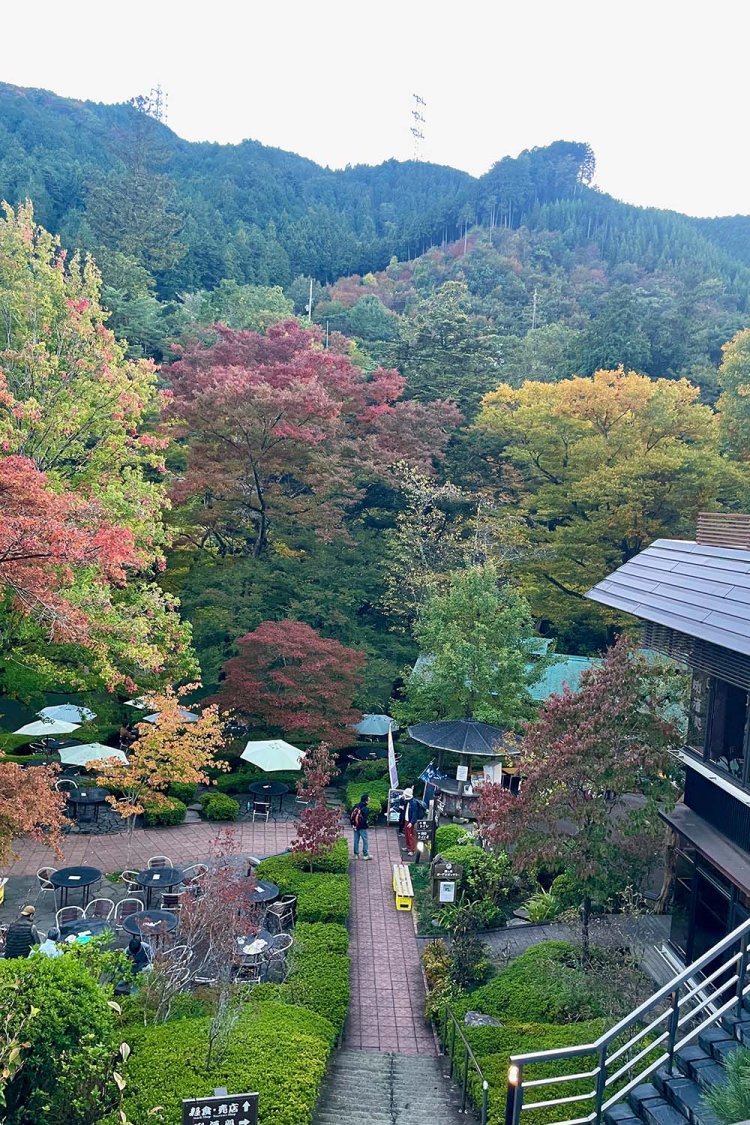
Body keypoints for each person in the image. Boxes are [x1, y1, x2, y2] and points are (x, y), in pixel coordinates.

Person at [350, 793, 372, 860]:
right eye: (369, 800)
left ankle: (356, 854)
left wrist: (354, 825)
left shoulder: (356, 806)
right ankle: (365, 855)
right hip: (362, 827)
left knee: (356, 840)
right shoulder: (365, 809)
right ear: (366, 801)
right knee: (365, 840)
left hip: (355, 826)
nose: (369, 801)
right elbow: (364, 820)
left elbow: (351, 815)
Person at [403, 788, 424, 856]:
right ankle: (408, 847)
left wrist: (411, 823)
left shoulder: (413, 803)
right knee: (406, 834)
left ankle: (412, 849)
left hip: (410, 821)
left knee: (411, 835)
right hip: (407, 820)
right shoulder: (408, 801)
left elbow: (414, 814)